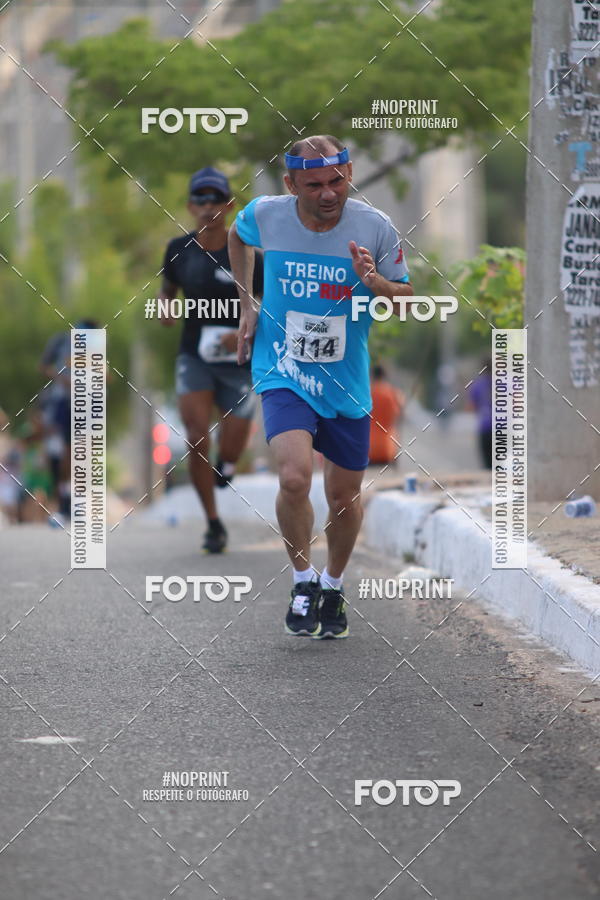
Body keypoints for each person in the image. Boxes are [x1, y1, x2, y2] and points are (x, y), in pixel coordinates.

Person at [228, 135, 413, 638]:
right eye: (314, 185)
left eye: (337, 181)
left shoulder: (375, 227)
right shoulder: (267, 214)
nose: (329, 193)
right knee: (292, 478)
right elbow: (237, 235)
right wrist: (248, 303)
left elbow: (406, 296)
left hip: (346, 379)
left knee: (344, 496)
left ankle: (333, 585)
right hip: (283, 368)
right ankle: (303, 580)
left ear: (349, 173)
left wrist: (376, 283)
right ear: (291, 185)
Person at [160, 167, 263, 553]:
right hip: (195, 355)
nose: (207, 207)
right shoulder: (177, 249)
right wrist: (165, 308)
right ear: (190, 205)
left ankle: (230, 463)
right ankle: (213, 523)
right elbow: (167, 290)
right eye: (200, 200)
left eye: (215, 199)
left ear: (229, 205)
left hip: (239, 358)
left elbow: (272, 304)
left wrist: (245, 327)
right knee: (196, 435)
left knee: (232, 441)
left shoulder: (250, 253)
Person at [369, 364, 405, 466]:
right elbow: (400, 416)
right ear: (385, 376)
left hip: (368, 450)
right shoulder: (394, 394)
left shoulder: (366, 394)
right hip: (388, 449)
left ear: (372, 376)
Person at [468, 359, 493, 468]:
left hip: (485, 427)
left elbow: (472, 407)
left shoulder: (477, 385)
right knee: (503, 465)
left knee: (488, 466)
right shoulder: (505, 382)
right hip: (504, 427)